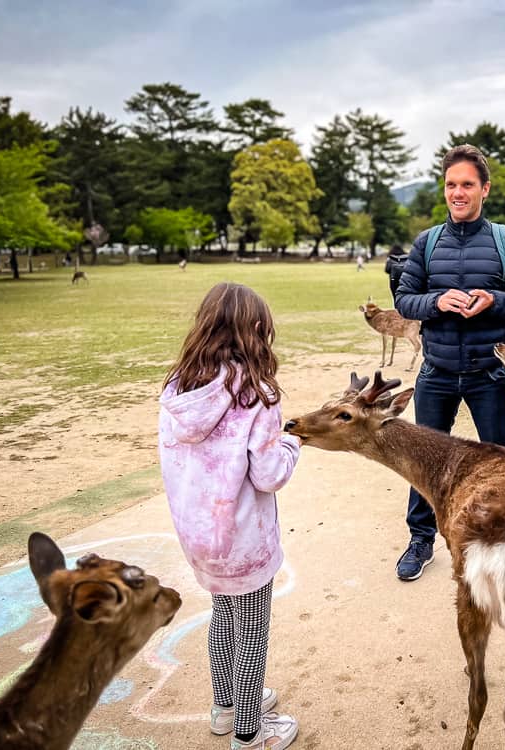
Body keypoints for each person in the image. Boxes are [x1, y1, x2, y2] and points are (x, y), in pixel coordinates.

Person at [158, 282, 301, 750]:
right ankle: (248, 731)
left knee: (223, 617)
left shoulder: (178, 387)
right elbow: (269, 475)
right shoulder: (256, 394)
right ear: (257, 330)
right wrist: (291, 445)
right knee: (252, 632)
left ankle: (226, 707)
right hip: (243, 539)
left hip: (199, 535)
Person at [394, 144, 505, 581]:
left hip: (489, 374)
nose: (458, 193)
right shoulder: (427, 242)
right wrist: (437, 301)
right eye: (451, 185)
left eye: (467, 185)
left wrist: (495, 301)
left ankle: (503, 541)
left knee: (498, 462)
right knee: (423, 462)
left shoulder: (504, 240)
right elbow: (404, 300)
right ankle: (421, 539)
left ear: (485, 190)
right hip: (436, 372)